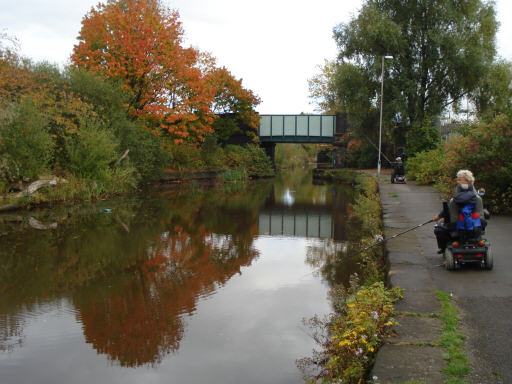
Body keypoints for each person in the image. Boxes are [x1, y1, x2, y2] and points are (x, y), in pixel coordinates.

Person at [433, 169, 484, 254]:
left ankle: (443, 248)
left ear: (467, 181)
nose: (457, 182)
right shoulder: (476, 197)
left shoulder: (457, 198)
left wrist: (440, 217)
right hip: (476, 226)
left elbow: (450, 209)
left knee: (438, 229)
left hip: (457, 226)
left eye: (460, 180)